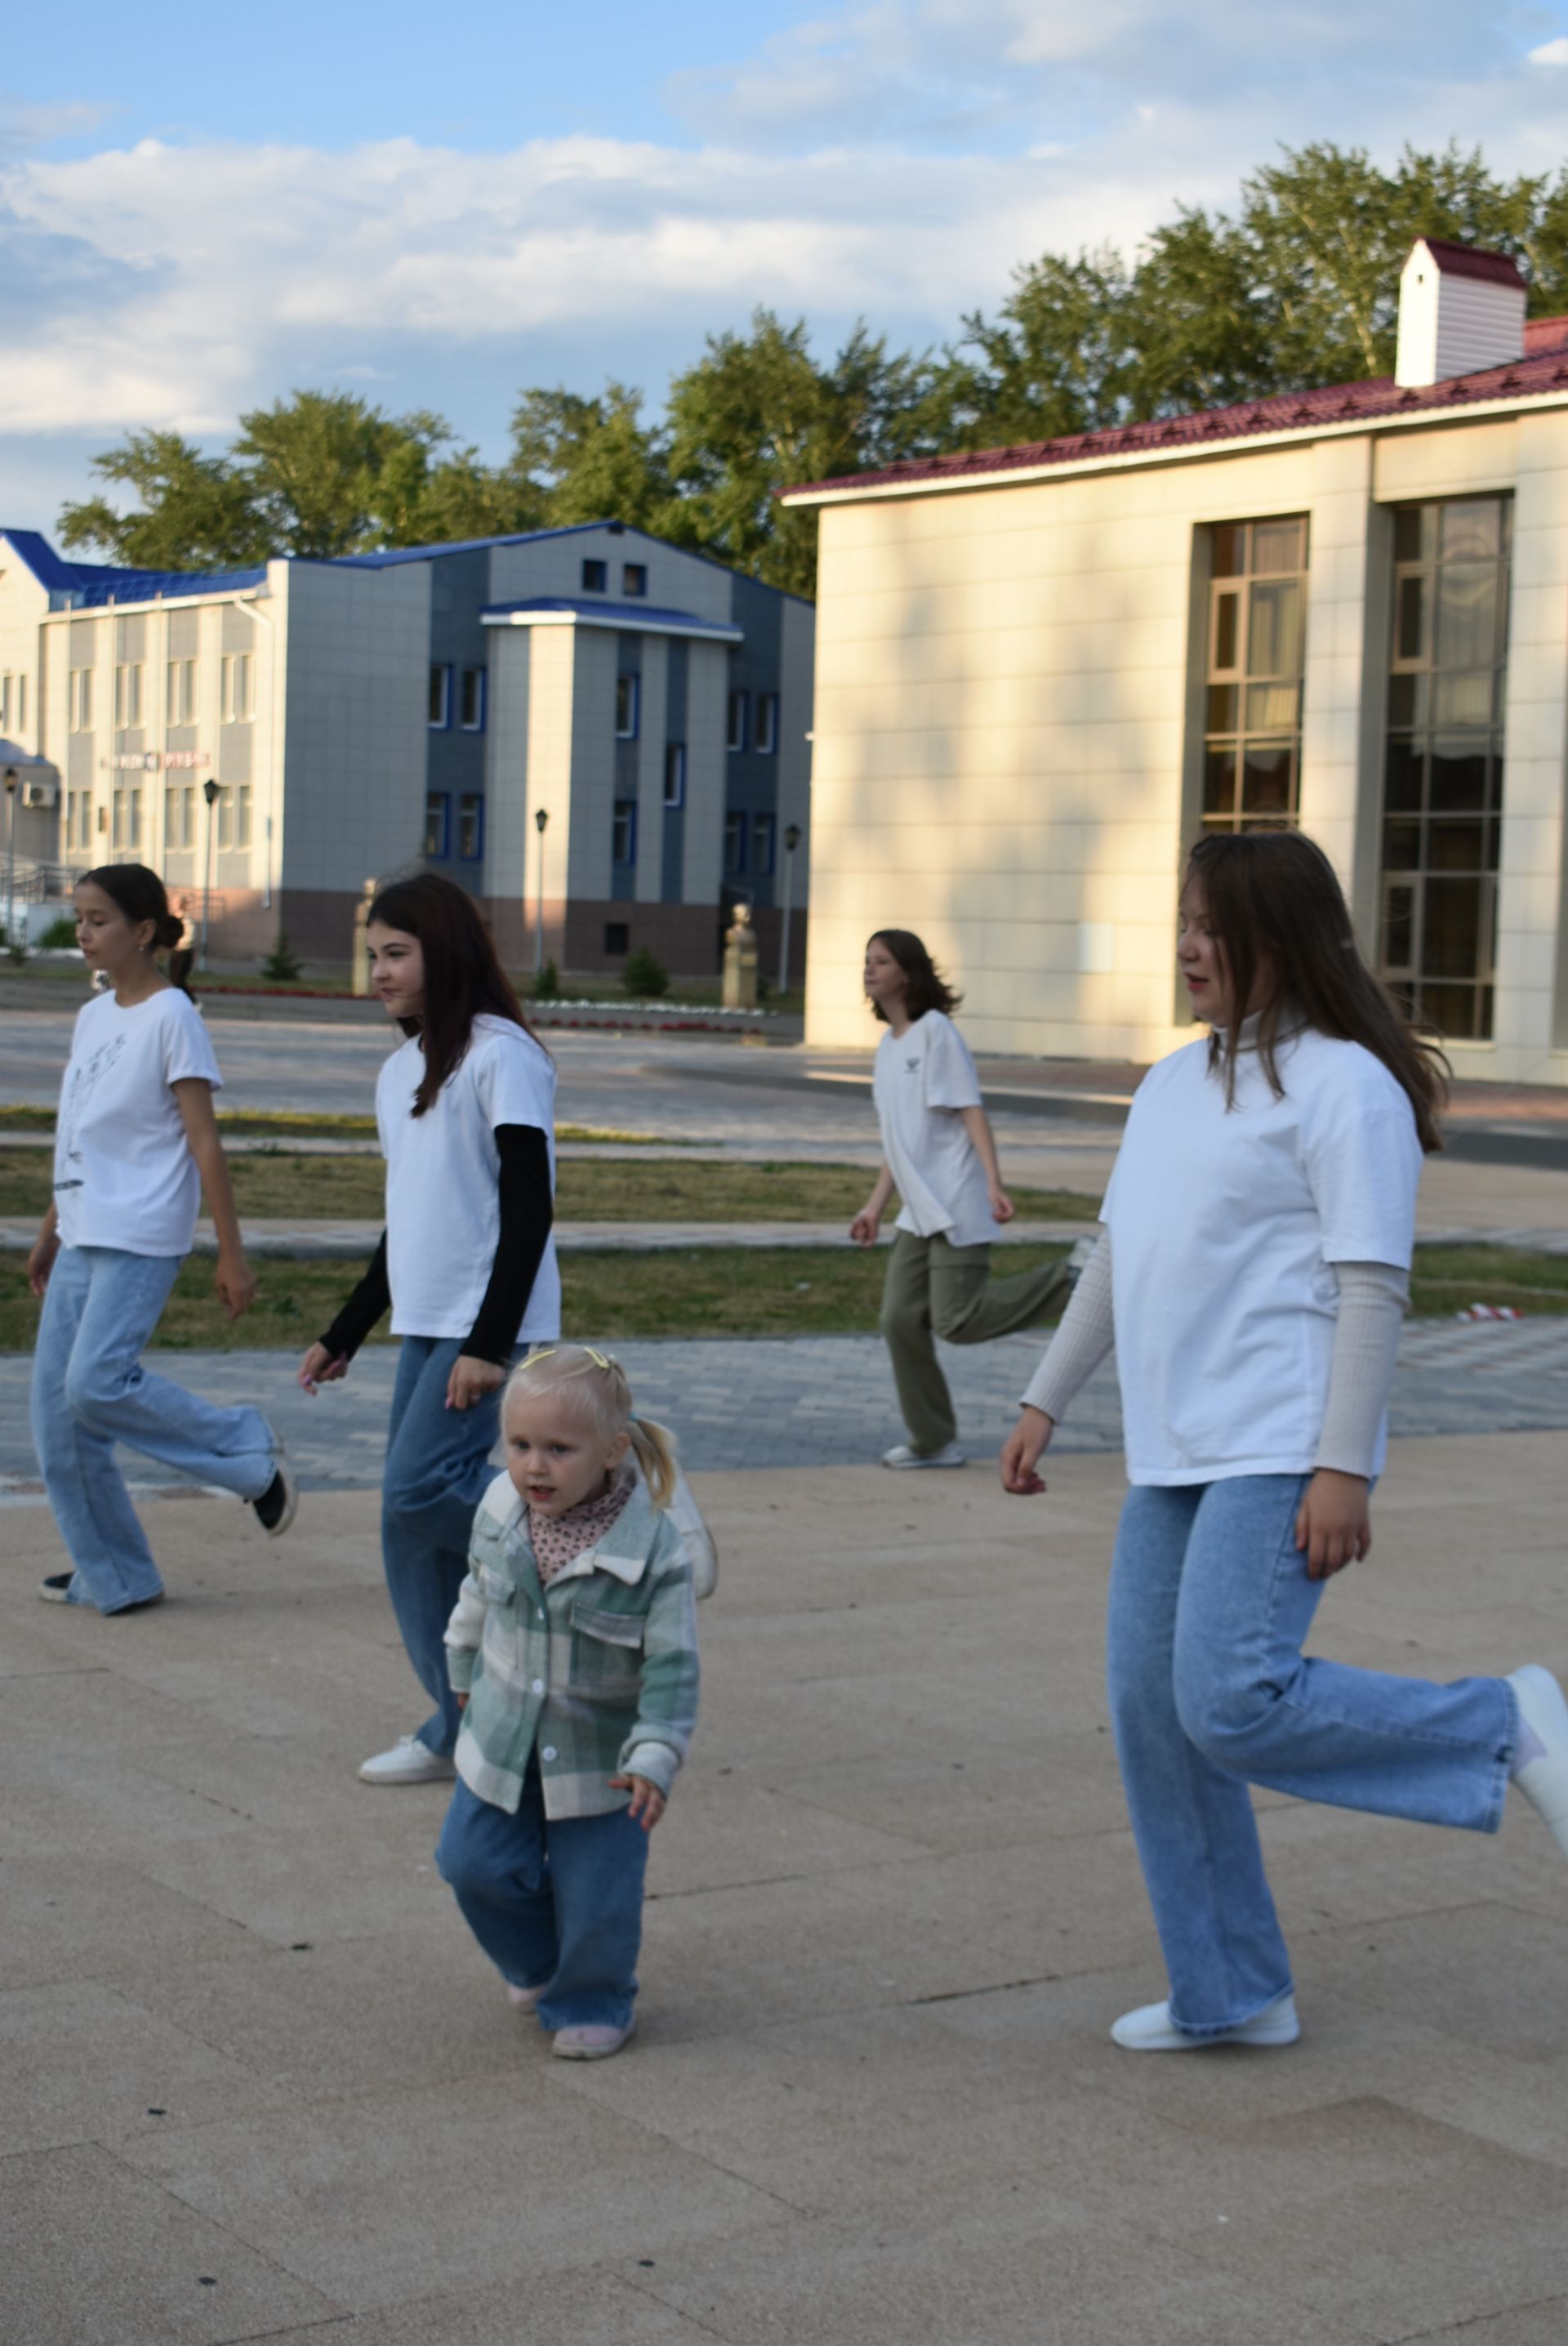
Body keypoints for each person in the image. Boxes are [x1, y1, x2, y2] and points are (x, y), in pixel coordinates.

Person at [1000, 831, 1568, 2051]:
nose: (1190, 944)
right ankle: (1232, 1990)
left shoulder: (1342, 1086)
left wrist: (1342, 1467)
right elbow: (1117, 1263)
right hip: (1175, 1449)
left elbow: (1371, 1289)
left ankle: (1503, 1720)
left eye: (1215, 924)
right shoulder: (1169, 1082)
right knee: (1155, 1714)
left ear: (1283, 938)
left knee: (1232, 1699)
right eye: (1186, 919)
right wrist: (1046, 1401)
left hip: (1278, 1441)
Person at [297, 872, 560, 1786]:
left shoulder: (503, 1055)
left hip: (484, 1321)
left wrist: (491, 1343)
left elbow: (530, 1208)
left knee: (418, 1490)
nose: (379, 971)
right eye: (373, 955)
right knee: (404, 1522)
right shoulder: (399, 1071)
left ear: (443, 953)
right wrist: (345, 1331)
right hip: (425, 1321)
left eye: (397, 954)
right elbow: (404, 1220)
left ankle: (587, 1534)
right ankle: (462, 1726)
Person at [26, 865, 296, 1614]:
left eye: (99, 919)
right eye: (78, 918)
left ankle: (246, 1449)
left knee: (96, 1385)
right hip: (83, 1232)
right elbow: (77, 1137)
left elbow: (205, 1143)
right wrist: (50, 1231)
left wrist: (231, 1254)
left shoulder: (173, 1015)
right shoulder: (95, 1016)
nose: (83, 932)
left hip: (142, 1236)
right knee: (56, 1416)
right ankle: (116, 1574)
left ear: (143, 931)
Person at [436, 1344, 700, 2060]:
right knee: (470, 1862)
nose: (534, 1466)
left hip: (602, 1758)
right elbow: (475, 1594)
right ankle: (535, 1961)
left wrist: (655, 1752)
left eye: (559, 1449)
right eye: (520, 1446)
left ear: (614, 1452)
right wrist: (459, 1665)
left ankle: (592, 1997)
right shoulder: (500, 1508)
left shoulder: (653, 1552)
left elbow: (674, 1667)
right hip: (501, 1735)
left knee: (597, 1900)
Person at [851, 929, 1075, 1468]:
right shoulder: (887, 1048)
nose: (869, 969)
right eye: (866, 961)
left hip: (954, 1201)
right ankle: (934, 1440)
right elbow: (899, 1146)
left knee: (956, 1319)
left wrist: (994, 1182)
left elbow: (971, 1109)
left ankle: (1072, 1277)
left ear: (907, 971)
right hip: (916, 1212)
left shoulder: (936, 1033)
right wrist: (874, 1207)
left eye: (880, 961)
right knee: (899, 1319)